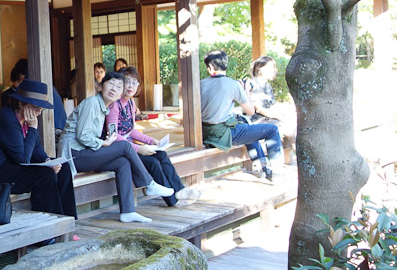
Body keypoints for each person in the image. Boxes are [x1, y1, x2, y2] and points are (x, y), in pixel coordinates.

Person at [59, 71, 174, 223]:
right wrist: (103, 143)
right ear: (101, 86)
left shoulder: (105, 108)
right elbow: (82, 135)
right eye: (111, 84)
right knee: (125, 147)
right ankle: (149, 184)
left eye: (119, 86)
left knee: (123, 163)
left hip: (84, 152)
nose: (114, 88)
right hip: (74, 153)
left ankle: (128, 211)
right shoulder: (93, 103)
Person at [0, 79, 77, 218]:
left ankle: (68, 219)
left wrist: (48, 161)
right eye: (35, 107)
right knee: (45, 176)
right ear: (20, 102)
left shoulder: (25, 119)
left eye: (41, 109)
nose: (38, 112)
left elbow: (36, 148)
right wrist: (33, 128)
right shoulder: (7, 118)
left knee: (63, 168)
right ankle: (50, 223)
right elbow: (22, 159)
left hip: (10, 165)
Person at [108, 67, 201, 207]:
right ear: (121, 83)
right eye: (127, 81)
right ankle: (173, 201)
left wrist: (151, 140)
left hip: (131, 146)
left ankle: (180, 191)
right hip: (119, 149)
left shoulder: (131, 103)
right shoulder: (114, 104)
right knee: (153, 163)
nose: (131, 86)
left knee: (161, 154)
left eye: (135, 82)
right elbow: (114, 135)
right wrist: (139, 148)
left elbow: (131, 130)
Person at [200, 50, 283, 179]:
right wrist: (246, 91)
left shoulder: (201, 84)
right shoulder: (232, 84)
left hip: (205, 133)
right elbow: (250, 111)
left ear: (210, 68)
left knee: (246, 125)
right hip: (224, 135)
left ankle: (261, 166)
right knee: (272, 129)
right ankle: (277, 171)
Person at [244, 56, 296, 142]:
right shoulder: (251, 84)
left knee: (293, 127)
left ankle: (297, 154)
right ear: (260, 69)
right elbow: (258, 109)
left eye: (273, 68)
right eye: (270, 68)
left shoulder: (267, 86)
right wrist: (278, 116)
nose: (273, 70)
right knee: (287, 129)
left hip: (268, 119)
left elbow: (272, 106)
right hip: (256, 121)